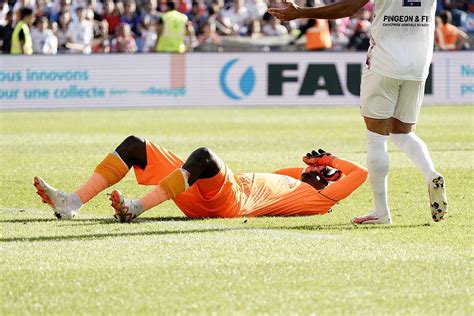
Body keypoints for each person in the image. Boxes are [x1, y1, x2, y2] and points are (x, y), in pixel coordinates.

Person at [269, 0, 448, 224]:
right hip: (419, 63)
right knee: (403, 133)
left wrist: (300, 13)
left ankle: (382, 212)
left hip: (386, 61)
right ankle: (431, 173)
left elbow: (348, 8)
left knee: (376, 138)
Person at [33, 136, 367, 222]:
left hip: (230, 202)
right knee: (135, 146)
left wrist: (329, 162)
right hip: (203, 193)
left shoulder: (319, 200)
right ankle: (71, 202)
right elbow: (303, 170)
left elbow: (360, 173)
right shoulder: (296, 180)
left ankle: (136, 207)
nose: (313, 170)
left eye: (320, 175)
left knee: (205, 155)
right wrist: (316, 167)